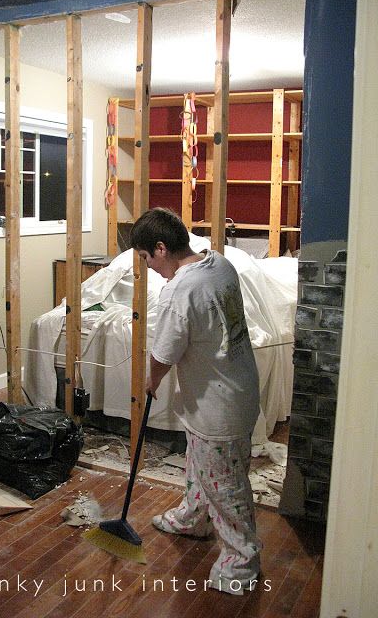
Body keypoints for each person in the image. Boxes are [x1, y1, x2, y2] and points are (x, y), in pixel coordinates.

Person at [130, 208, 262, 595]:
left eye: (146, 258)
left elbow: (164, 353)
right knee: (201, 466)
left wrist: (150, 382)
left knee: (227, 487)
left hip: (218, 406)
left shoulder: (180, 291)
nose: (148, 268)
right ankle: (193, 519)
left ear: (160, 248)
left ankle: (242, 561)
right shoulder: (218, 263)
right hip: (234, 390)